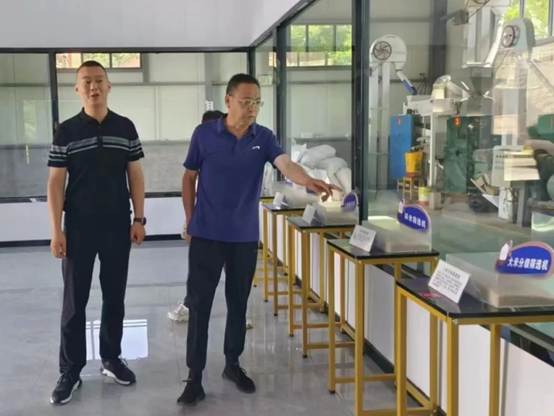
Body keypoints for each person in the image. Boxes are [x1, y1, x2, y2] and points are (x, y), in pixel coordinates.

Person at [177, 73, 338, 405]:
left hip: (243, 236)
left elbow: (285, 164)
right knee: (200, 304)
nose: (251, 108)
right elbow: (189, 177)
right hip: (206, 234)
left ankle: (232, 364)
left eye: (256, 103)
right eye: (245, 102)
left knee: (238, 303)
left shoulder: (263, 137)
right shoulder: (204, 134)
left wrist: (308, 180)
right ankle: (194, 376)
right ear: (228, 101)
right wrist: (190, 219)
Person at [46, 60, 146, 405]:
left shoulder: (125, 127)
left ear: (109, 86)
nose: (93, 86)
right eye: (86, 81)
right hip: (79, 228)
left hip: (117, 224)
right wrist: (56, 230)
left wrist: (139, 219)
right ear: (77, 89)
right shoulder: (67, 131)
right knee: (75, 302)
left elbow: (135, 174)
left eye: (99, 80)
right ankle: (70, 370)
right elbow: (55, 183)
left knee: (114, 296)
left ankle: (111, 358)